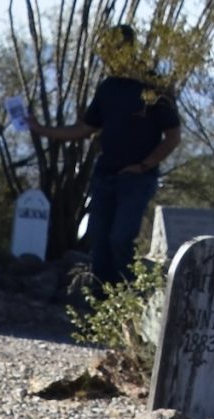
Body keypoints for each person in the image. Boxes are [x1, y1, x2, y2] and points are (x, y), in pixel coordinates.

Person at [30, 25, 181, 293]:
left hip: (137, 179)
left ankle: (125, 300)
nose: (105, 56)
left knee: (121, 239)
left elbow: (172, 137)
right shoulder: (109, 87)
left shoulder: (153, 86)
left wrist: (143, 165)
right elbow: (84, 128)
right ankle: (101, 304)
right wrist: (41, 129)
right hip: (105, 175)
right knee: (100, 240)